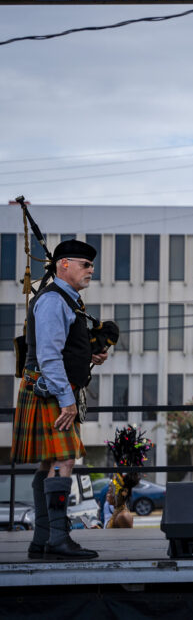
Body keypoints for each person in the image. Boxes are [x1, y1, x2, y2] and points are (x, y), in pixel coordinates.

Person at [12, 239, 108, 560]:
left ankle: (41, 540)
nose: (91, 271)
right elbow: (49, 356)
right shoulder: (54, 301)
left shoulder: (68, 300)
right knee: (64, 460)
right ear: (63, 264)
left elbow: (63, 349)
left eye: (92, 265)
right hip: (51, 391)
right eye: (85, 265)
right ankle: (57, 539)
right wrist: (67, 400)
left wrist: (88, 356)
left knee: (49, 463)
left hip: (50, 388)